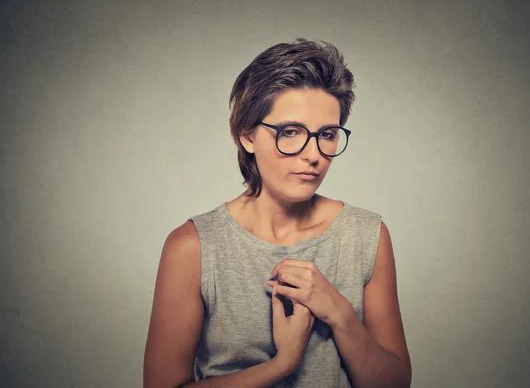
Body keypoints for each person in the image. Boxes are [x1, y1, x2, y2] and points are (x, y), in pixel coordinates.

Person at [143, 38, 412, 388]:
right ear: (248, 137)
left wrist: (339, 312)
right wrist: (282, 364)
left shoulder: (366, 235)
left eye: (327, 134)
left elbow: (395, 384)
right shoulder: (193, 246)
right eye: (290, 132)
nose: (313, 154)